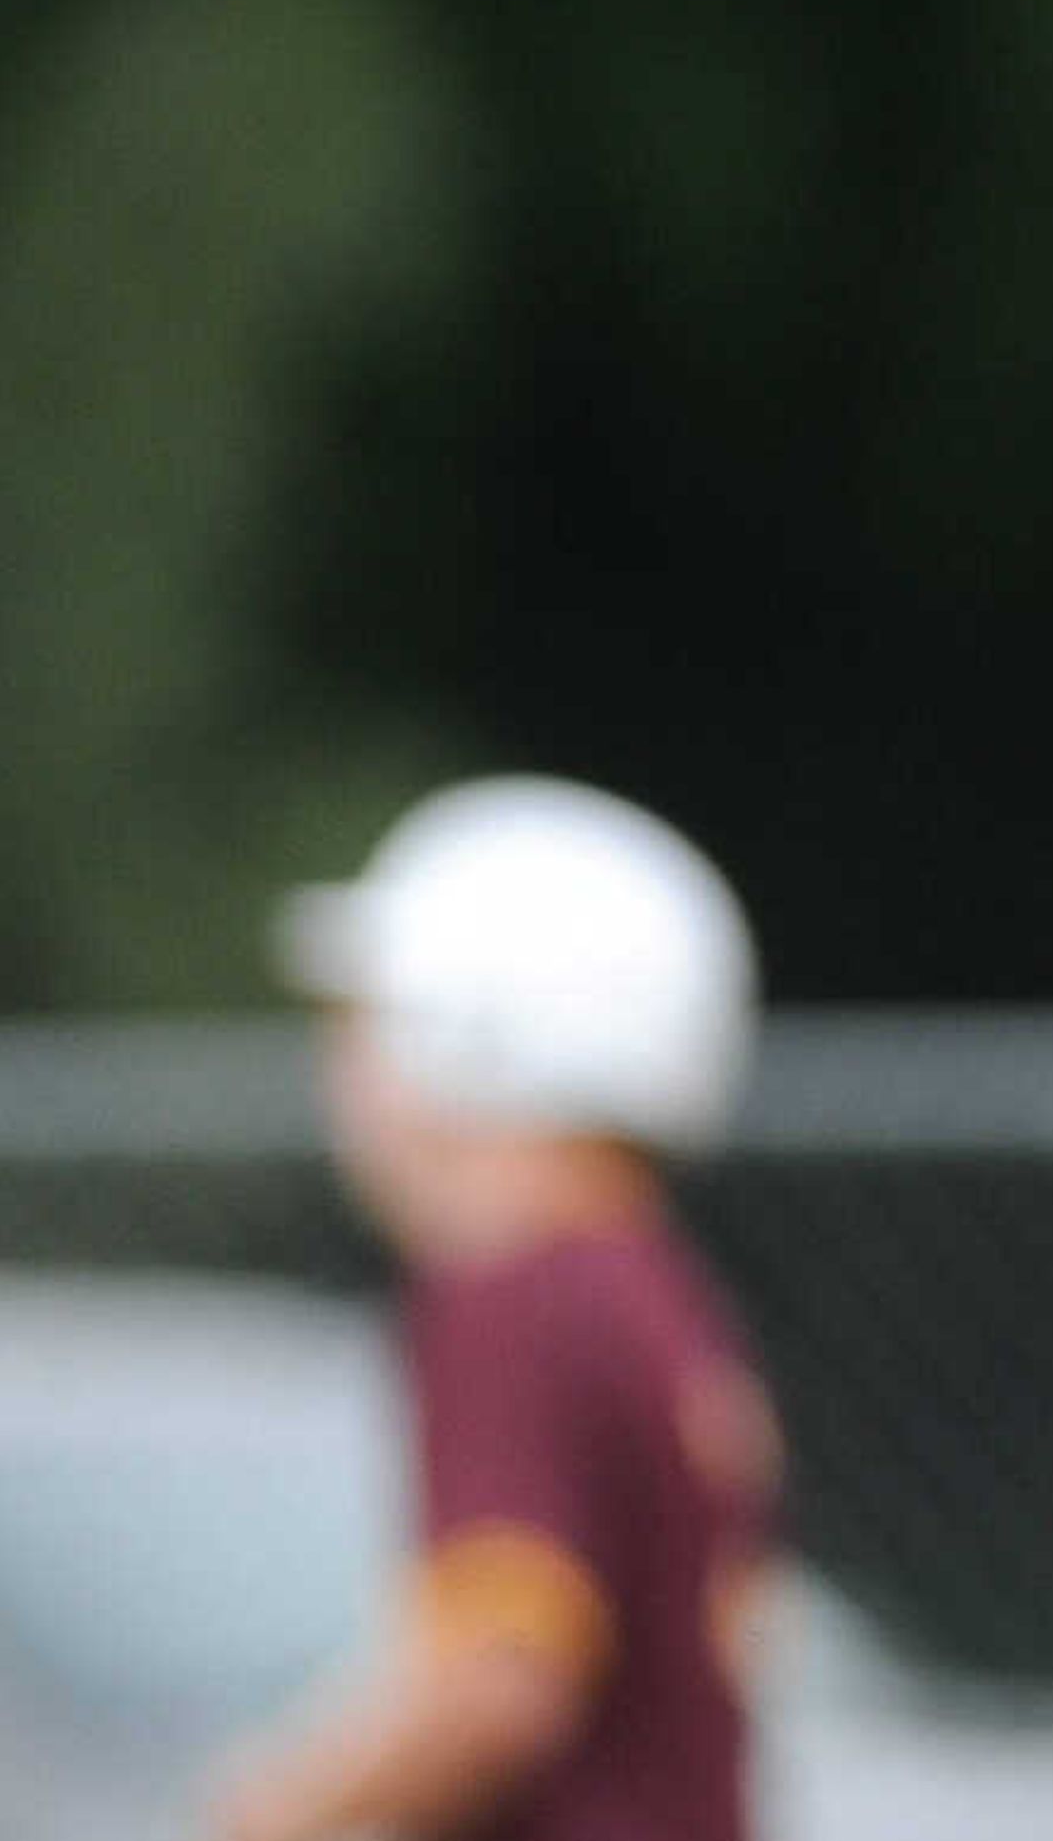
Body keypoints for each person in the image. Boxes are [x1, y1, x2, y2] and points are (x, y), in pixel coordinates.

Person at [208, 775, 778, 1841]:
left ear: (474, 1024)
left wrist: (266, 1811)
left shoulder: (515, 1295)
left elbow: (500, 1680)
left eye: (365, 1028)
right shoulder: (647, 1288)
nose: (344, 1080)